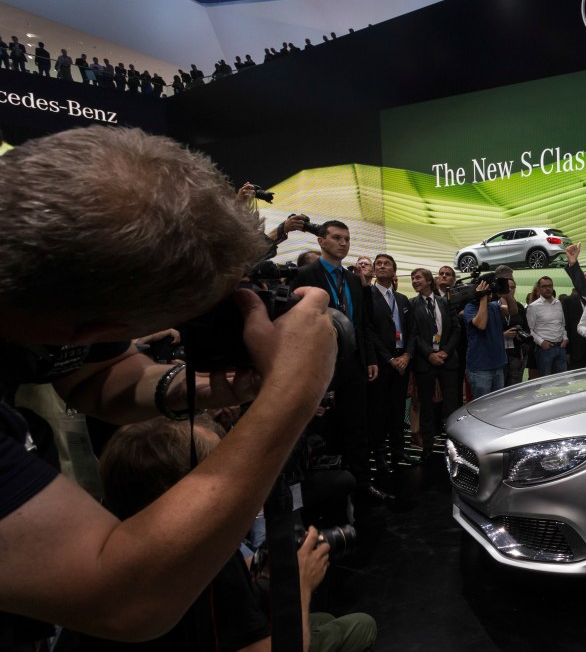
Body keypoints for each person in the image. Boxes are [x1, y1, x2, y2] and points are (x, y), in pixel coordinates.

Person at [0, 126, 336, 641]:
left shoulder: (50, 294)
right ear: (88, 329)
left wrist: (199, 387)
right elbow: (121, 598)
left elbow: (94, 377)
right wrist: (291, 393)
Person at [88, 418, 377, 652]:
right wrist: (299, 585)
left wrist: (264, 567)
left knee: (324, 619)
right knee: (362, 626)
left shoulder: (116, 550)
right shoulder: (199, 557)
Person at [290, 221, 386, 502]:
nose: (343, 243)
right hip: (321, 364)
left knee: (357, 426)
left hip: (354, 363)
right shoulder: (305, 275)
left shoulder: (353, 280)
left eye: (347, 238)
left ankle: (362, 485)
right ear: (321, 242)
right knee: (325, 429)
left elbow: (362, 323)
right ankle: (331, 490)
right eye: (336, 238)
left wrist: (369, 358)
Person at [406, 268, 461, 462]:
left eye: (418, 278)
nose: (414, 281)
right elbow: (413, 334)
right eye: (412, 279)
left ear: (429, 281)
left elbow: (456, 329)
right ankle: (427, 447)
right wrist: (429, 354)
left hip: (448, 360)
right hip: (425, 362)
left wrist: (445, 351)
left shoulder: (445, 302)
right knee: (426, 407)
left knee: (452, 406)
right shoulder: (411, 304)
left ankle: (456, 446)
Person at [366, 253, 412, 471]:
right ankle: (380, 454)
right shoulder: (367, 296)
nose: (382, 266)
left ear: (394, 271)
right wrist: (390, 358)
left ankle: (398, 449)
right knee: (379, 411)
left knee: (398, 409)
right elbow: (368, 331)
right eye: (379, 264)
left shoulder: (402, 299)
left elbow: (412, 331)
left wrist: (407, 356)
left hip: (402, 362)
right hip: (381, 363)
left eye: (387, 264)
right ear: (374, 270)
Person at [525, 276, 569, 375]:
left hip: (561, 347)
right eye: (544, 286)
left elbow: (562, 324)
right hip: (545, 349)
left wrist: (565, 338)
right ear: (539, 288)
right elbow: (529, 330)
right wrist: (541, 342)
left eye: (550, 286)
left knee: (562, 380)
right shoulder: (533, 306)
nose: (548, 288)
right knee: (546, 380)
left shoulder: (558, 303)